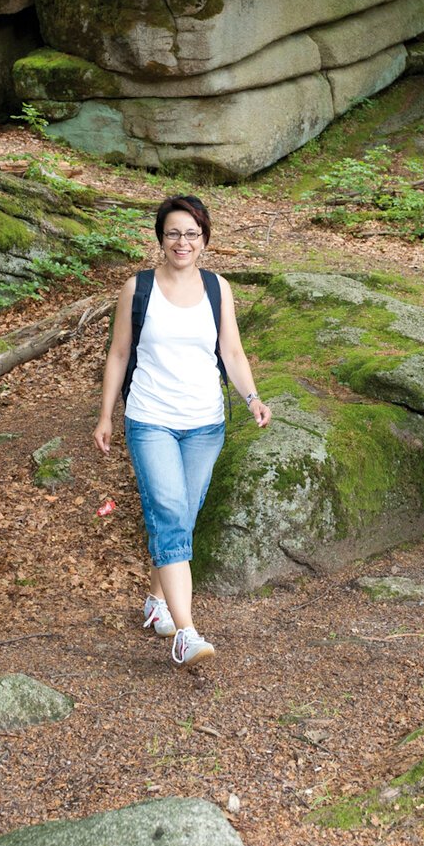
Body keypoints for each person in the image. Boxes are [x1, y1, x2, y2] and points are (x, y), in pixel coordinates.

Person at [93, 194, 271, 668]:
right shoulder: (138, 288)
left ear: (204, 239)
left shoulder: (218, 288)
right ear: (160, 238)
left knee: (182, 516)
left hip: (205, 423)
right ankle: (186, 631)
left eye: (192, 233)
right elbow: (118, 354)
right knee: (170, 510)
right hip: (150, 417)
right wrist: (106, 414)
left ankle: (156, 602)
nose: (182, 241)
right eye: (174, 232)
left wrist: (252, 397)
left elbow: (231, 352)